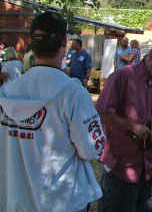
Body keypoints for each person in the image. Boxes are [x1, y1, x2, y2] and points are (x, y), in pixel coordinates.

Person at [0, 11, 105, 211]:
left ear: (31, 42)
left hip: (15, 199)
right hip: (62, 200)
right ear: (65, 41)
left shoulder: (6, 92)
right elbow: (93, 148)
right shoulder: (73, 93)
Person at [95, 41, 152, 212]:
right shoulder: (122, 76)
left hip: (151, 168)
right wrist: (132, 126)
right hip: (121, 167)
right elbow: (101, 114)